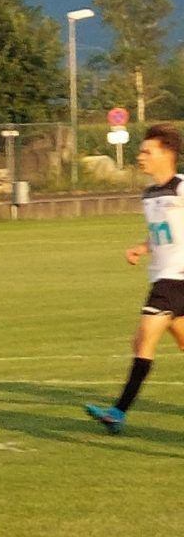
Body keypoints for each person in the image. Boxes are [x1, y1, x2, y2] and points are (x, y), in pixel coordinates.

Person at [85, 120, 184, 432]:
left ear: (166, 153)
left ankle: (118, 411)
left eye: (146, 151)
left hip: (175, 280)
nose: (140, 157)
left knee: (143, 340)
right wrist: (142, 248)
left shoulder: (182, 187)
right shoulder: (149, 194)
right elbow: (162, 234)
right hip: (163, 277)